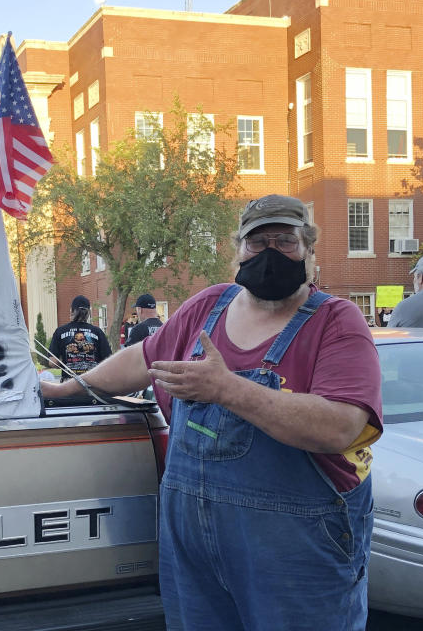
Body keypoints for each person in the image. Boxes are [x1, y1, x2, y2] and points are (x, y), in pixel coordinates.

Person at [42, 194, 382, 630]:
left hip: (296, 558)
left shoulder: (338, 321)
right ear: (239, 250)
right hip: (194, 555)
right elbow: (142, 359)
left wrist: (227, 389)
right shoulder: (208, 306)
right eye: (258, 243)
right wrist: (68, 388)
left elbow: (341, 426)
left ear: (310, 249)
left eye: (286, 241)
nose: (271, 252)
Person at [47, 295, 111, 381]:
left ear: (72, 311)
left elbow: (52, 362)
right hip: (93, 383)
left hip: (69, 384)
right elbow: (108, 360)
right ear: (88, 313)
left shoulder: (60, 331)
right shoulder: (97, 332)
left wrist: (66, 363)